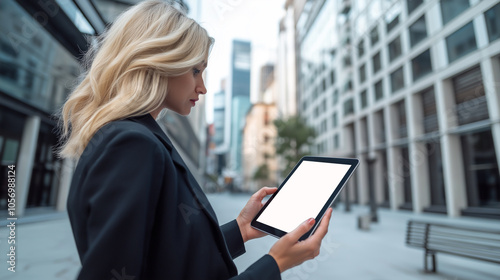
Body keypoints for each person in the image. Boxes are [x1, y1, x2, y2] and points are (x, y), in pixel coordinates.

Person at [58, 1, 333, 279]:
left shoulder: (131, 136)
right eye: (195, 71)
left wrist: (241, 229)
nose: (202, 87)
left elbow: (163, 259)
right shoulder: (131, 144)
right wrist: (275, 263)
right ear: (160, 60)